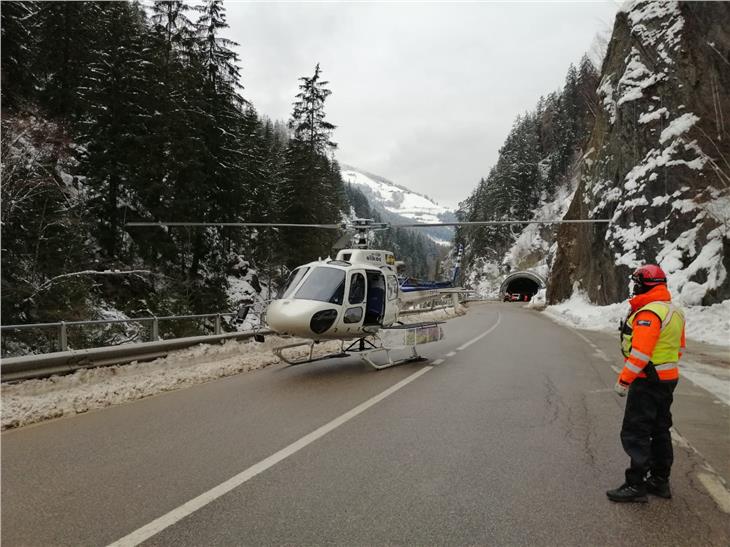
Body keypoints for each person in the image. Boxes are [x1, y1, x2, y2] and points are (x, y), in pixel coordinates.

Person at [607, 264, 685, 503]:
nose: (634, 286)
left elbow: (640, 354)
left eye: (636, 282)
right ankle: (660, 481)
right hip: (667, 379)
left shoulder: (649, 314)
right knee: (660, 430)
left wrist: (624, 380)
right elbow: (679, 349)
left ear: (642, 284)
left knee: (636, 432)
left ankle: (635, 484)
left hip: (647, 381)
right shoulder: (673, 311)